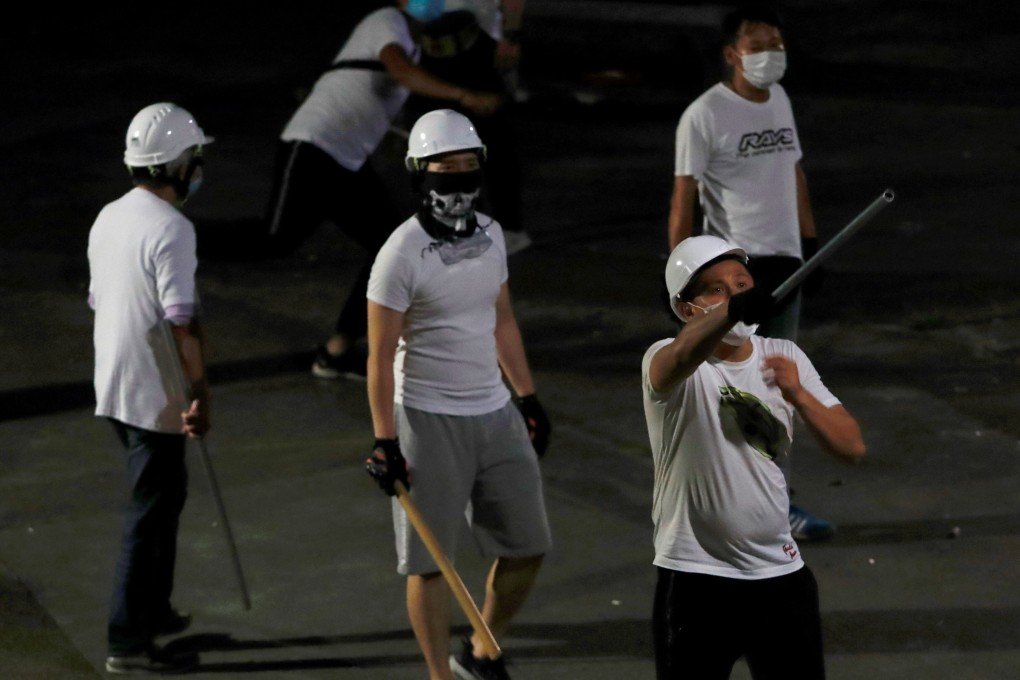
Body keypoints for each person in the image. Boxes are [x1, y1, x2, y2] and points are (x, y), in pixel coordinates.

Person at [363, 108, 552, 680]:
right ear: (420, 175)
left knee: (526, 546)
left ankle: (481, 649)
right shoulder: (400, 255)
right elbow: (379, 357)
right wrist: (385, 441)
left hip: (494, 413)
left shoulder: (492, 235)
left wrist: (527, 397)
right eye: (446, 170)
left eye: (470, 168)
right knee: (430, 565)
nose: (460, 183)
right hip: (427, 419)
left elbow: (502, 322)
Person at [642, 235, 865, 679]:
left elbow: (851, 447)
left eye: (742, 283)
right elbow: (681, 355)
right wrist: (731, 314)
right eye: (716, 289)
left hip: (780, 577)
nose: (735, 294)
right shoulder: (670, 363)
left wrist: (798, 394)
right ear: (687, 309)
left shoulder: (783, 356)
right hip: (696, 580)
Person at [260, 0, 504, 381]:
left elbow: (410, 83)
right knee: (272, 240)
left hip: (347, 158)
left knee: (387, 247)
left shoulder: (416, 42)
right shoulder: (386, 21)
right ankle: (175, 237)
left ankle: (337, 351)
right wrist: (463, 96)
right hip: (312, 144)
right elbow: (402, 72)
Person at [667, 3, 831, 540]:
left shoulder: (778, 99)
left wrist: (809, 244)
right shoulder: (704, 115)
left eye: (776, 44)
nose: (770, 55)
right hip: (738, 274)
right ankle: (734, 502)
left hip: (786, 265)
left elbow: (795, 171)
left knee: (777, 388)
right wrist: (680, 278)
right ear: (732, 54)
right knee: (737, 390)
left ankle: (772, 501)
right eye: (758, 45)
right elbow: (683, 199)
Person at [87, 102, 213, 674]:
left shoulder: (109, 216)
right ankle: (126, 641)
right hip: (152, 390)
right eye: (196, 159)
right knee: (150, 511)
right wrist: (198, 392)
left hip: (113, 382)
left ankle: (154, 611)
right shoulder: (173, 230)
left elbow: (101, 299)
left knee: (166, 497)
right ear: (180, 164)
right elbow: (180, 320)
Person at [404, 0, 532, 255]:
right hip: (433, 49)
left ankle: (510, 228)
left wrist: (511, 36)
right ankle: (464, 228)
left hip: (477, 45)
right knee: (444, 145)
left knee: (494, 143)